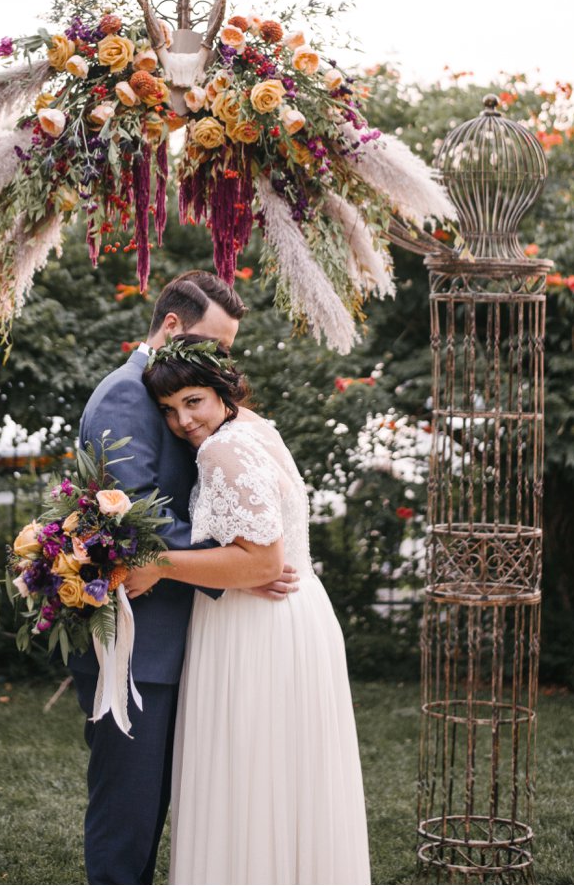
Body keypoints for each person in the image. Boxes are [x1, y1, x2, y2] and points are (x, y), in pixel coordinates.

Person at [69, 272, 299, 886]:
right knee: (128, 819)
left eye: (224, 353)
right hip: (138, 648)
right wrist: (239, 564)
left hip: (176, 640)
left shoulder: (174, 398)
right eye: (212, 345)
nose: (217, 362)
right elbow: (133, 515)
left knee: (157, 812)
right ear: (171, 326)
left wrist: (245, 556)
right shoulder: (125, 397)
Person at [126, 334, 372, 886]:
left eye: (194, 401)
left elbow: (262, 563)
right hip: (295, 617)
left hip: (257, 626)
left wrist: (159, 562)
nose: (184, 420)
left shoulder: (221, 448)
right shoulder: (255, 428)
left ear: (221, 391)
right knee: (285, 780)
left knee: (249, 776)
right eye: (169, 410)